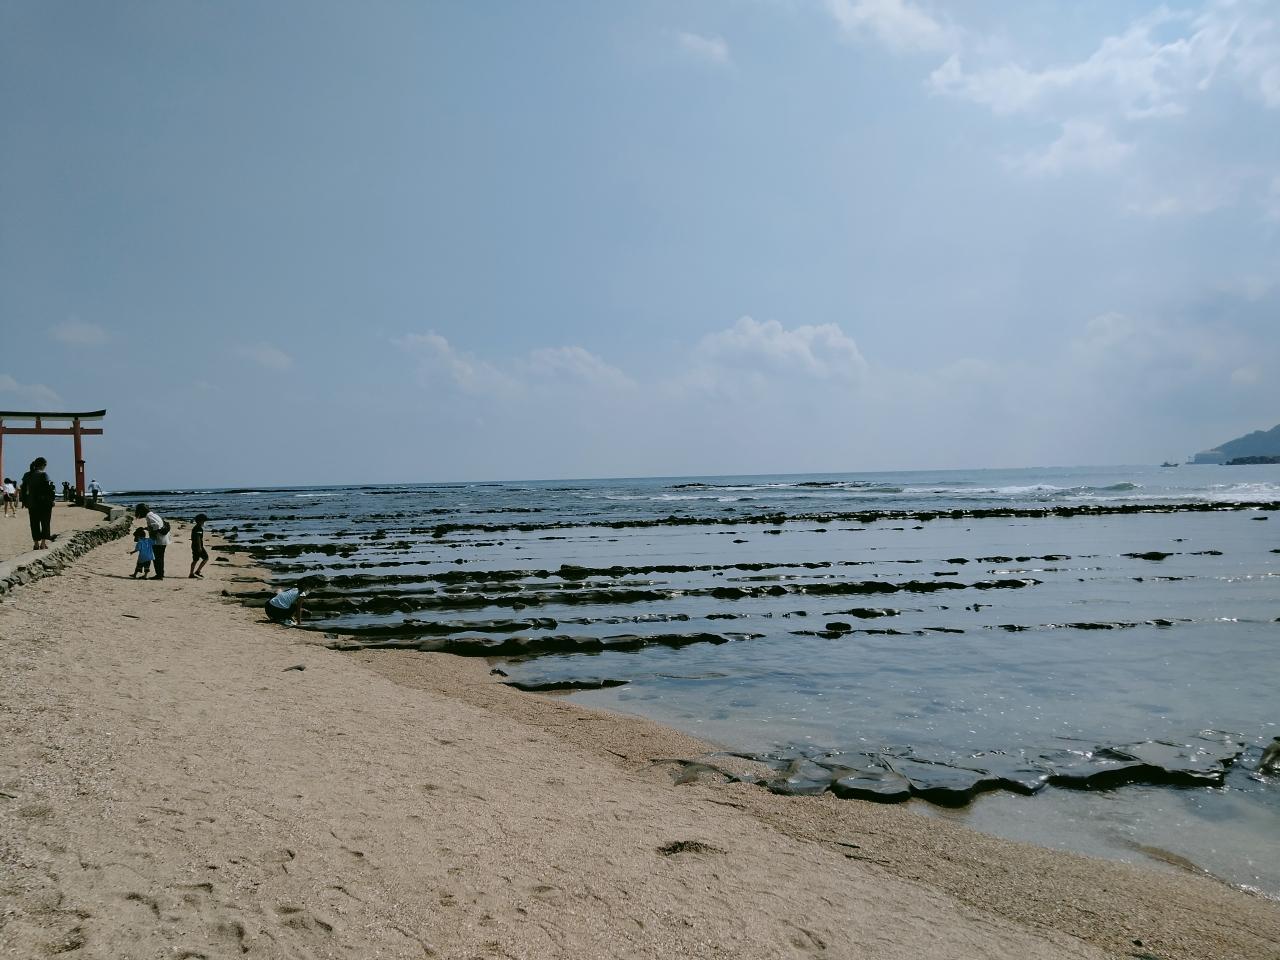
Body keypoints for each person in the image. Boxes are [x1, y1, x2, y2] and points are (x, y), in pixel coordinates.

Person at [19, 458, 55, 550]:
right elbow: (48, 489)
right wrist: (52, 500)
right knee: (45, 522)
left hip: (32, 502)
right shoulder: (44, 474)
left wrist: (24, 501)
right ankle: (43, 544)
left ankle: (36, 544)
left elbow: (23, 489)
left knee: (34, 523)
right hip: (44, 503)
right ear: (43, 465)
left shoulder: (27, 475)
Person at [134, 503, 171, 579]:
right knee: (160, 557)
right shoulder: (153, 515)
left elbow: (156, 526)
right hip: (163, 539)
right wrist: (147, 528)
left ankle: (159, 575)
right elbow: (157, 526)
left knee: (157, 558)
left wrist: (152, 537)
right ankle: (160, 574)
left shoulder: (149, 516)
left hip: (159, 540)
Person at [189, 513, 209, 579]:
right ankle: (195, 572)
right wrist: (200, 547)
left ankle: (193, 573)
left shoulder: (196, 527)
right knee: (205, 558)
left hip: (195, 546)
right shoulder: (198, 528)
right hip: (198, 546)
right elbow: (198, 538)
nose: (204, 522)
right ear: (200, 521)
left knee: (195, 559)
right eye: (203, 521)